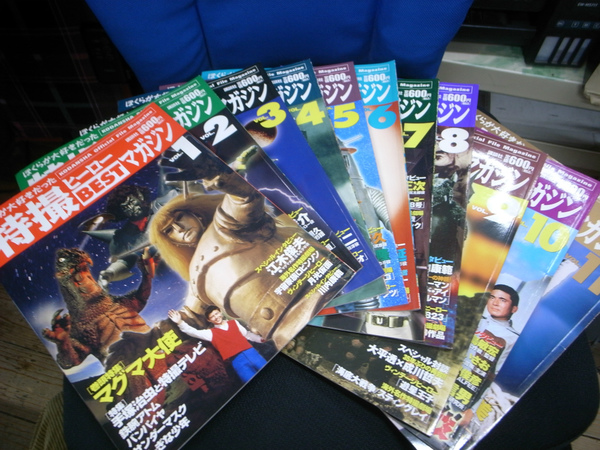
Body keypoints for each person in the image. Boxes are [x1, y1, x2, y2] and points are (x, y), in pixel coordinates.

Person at [148, 138, 350, 350]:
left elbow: (244, 199)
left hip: (321, 297)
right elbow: (191, 317)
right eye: (169, 230)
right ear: (170, 241)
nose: (179, 228)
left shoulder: (223, 224)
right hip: (286, 336)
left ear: (195, 213)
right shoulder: (195, 278)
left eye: (180, 217)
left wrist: (223, 178)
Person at [168, 306, 267, 383]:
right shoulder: (211, 333)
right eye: (212, 317)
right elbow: (193, 332)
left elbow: (247, 335)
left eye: (216, 313)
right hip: (237, 361)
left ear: (220, 312)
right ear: (209, 320)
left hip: (252, 354)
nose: (216, 317)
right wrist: (180, 322)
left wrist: (260, 339)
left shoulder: (234, 322)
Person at [477, 284, 520, 373]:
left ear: (514, 309)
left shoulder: (514, 338)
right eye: (492, 297)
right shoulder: (475, 320)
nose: (495, 303)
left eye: (502, 300)